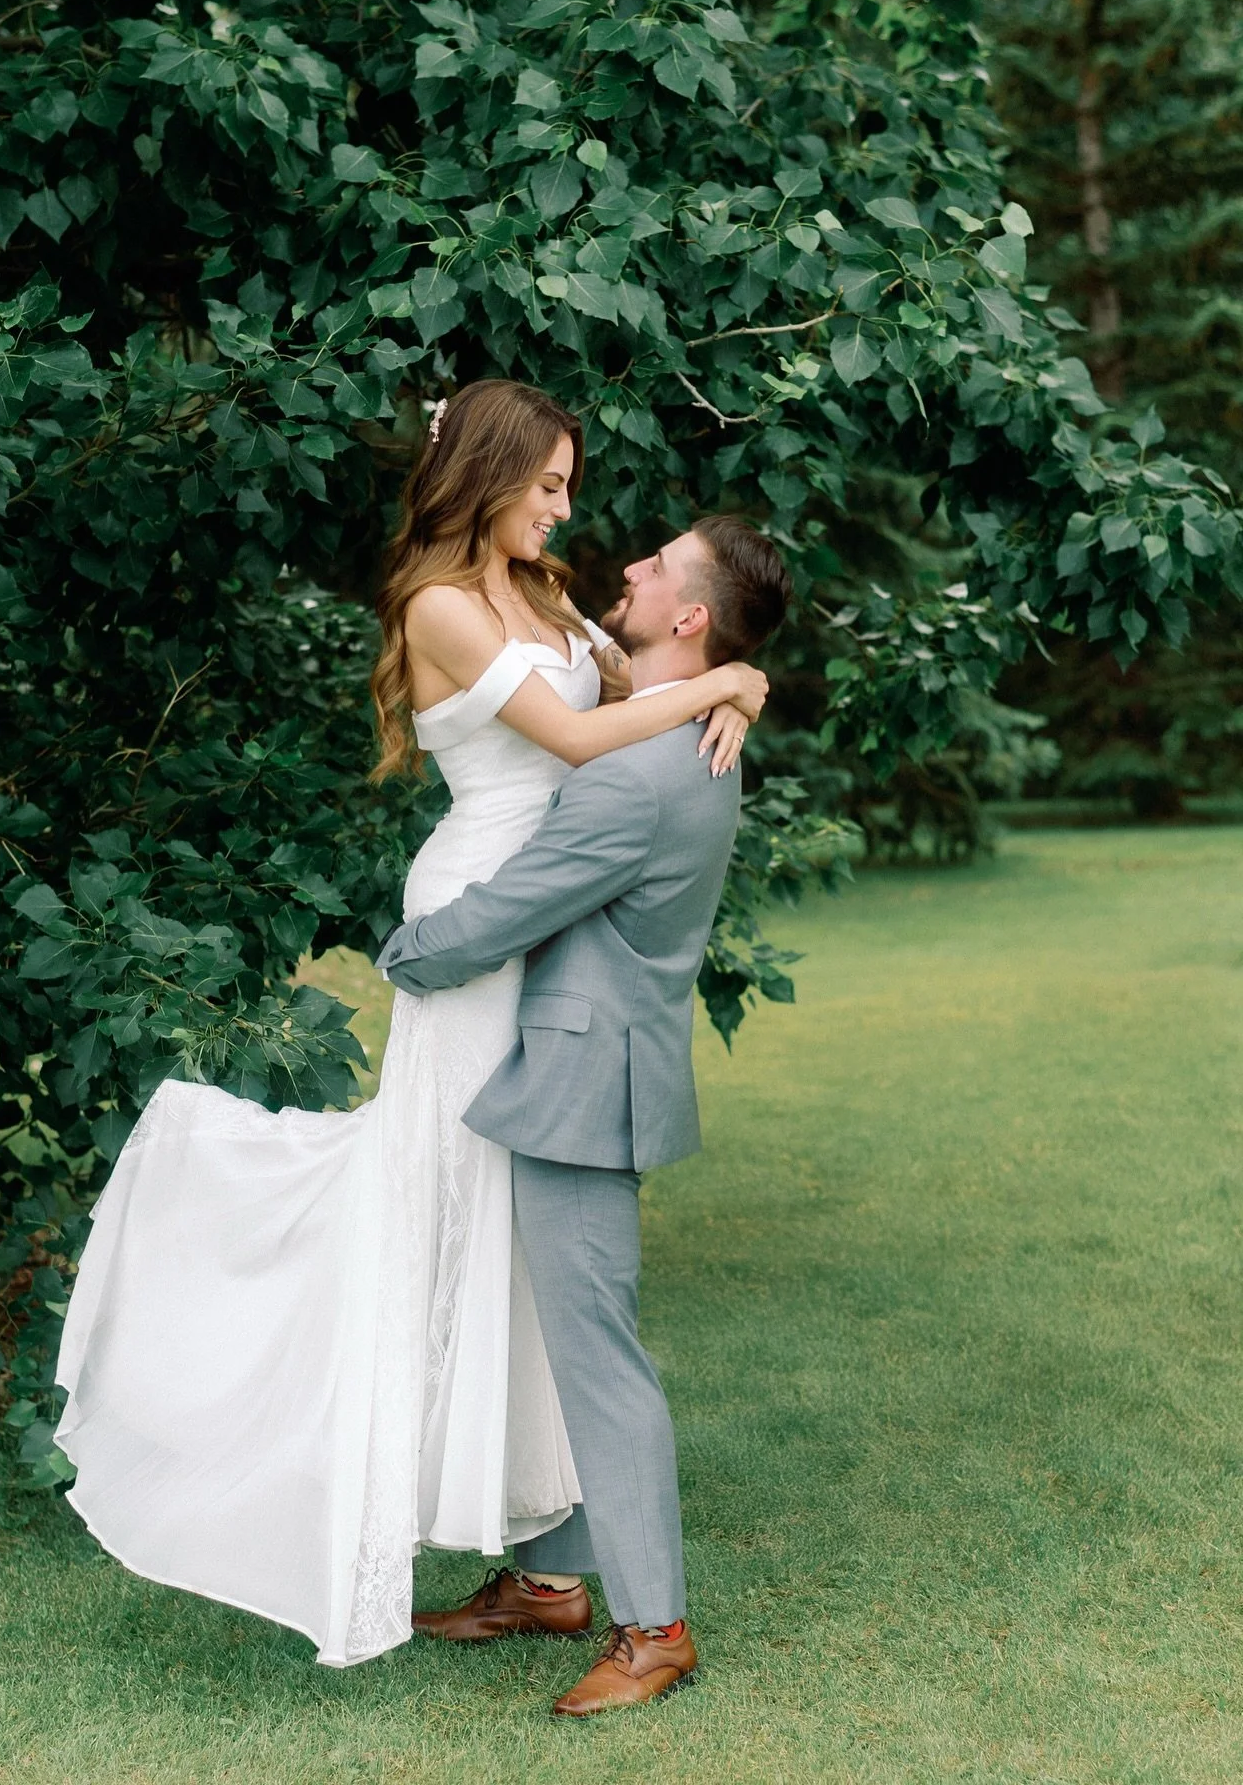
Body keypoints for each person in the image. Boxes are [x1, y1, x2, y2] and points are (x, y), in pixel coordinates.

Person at [53, 379, 770, 1667]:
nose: (567, 508)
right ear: (486, 477)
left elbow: (631, 694)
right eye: (547, 484)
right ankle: (307, 1444)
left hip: (536, 927)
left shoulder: (549, 598)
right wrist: (731, 674)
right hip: (477, 914)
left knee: (518, 1252)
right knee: (436, 1217)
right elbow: (581, 731)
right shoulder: (438, 602)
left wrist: (722, 678)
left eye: (566, 484)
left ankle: (552, 1570)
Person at [378, 509, 792, 1716]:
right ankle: (555, 1581)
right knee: (560, 1343)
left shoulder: (637, 779)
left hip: (575, 1086)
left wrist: (406, 952)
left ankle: (654, 1626)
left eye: (657, 568)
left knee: (597, 1359)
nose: (628, 567)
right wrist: (742, 683)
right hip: (591, 1067)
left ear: (690, 619)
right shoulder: (684, 737)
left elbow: (509, 913)